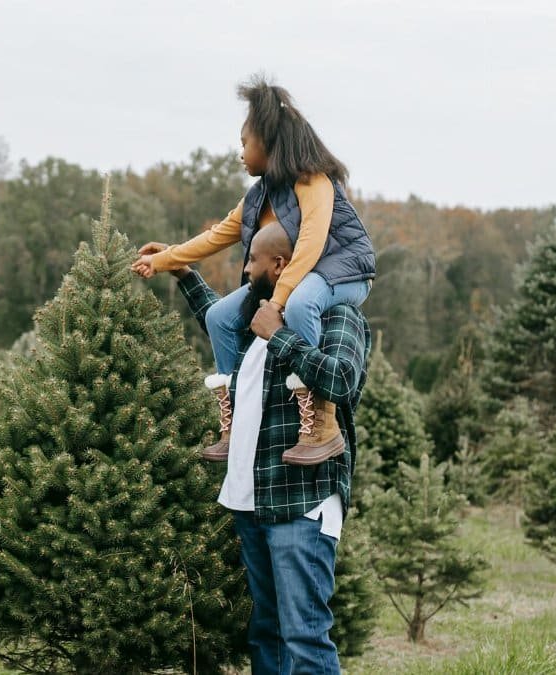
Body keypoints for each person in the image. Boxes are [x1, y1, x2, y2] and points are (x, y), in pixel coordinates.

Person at [160, 222, 371, 675]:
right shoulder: (263, 316)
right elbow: (217, 323)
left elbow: (341, 379)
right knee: (268, 633)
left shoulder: (333, 316)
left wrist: (281, 336)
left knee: (304, 635)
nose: (245, 267)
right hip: (252, 499)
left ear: (279, 265)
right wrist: (183, 273)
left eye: (251, 259)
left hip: (301, 500)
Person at [133, 75, 375, 465]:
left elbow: (311, 245)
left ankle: (320, 424)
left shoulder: (312, 180)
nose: (240, 152)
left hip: (344, 273)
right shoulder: (257, 197)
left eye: (245, 143)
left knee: (299, 306)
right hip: (298, 279)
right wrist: (163, 260)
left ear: (268, 142)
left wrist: (277, 303)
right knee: (219, 316)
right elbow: (216, 236)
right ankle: (233, 426)